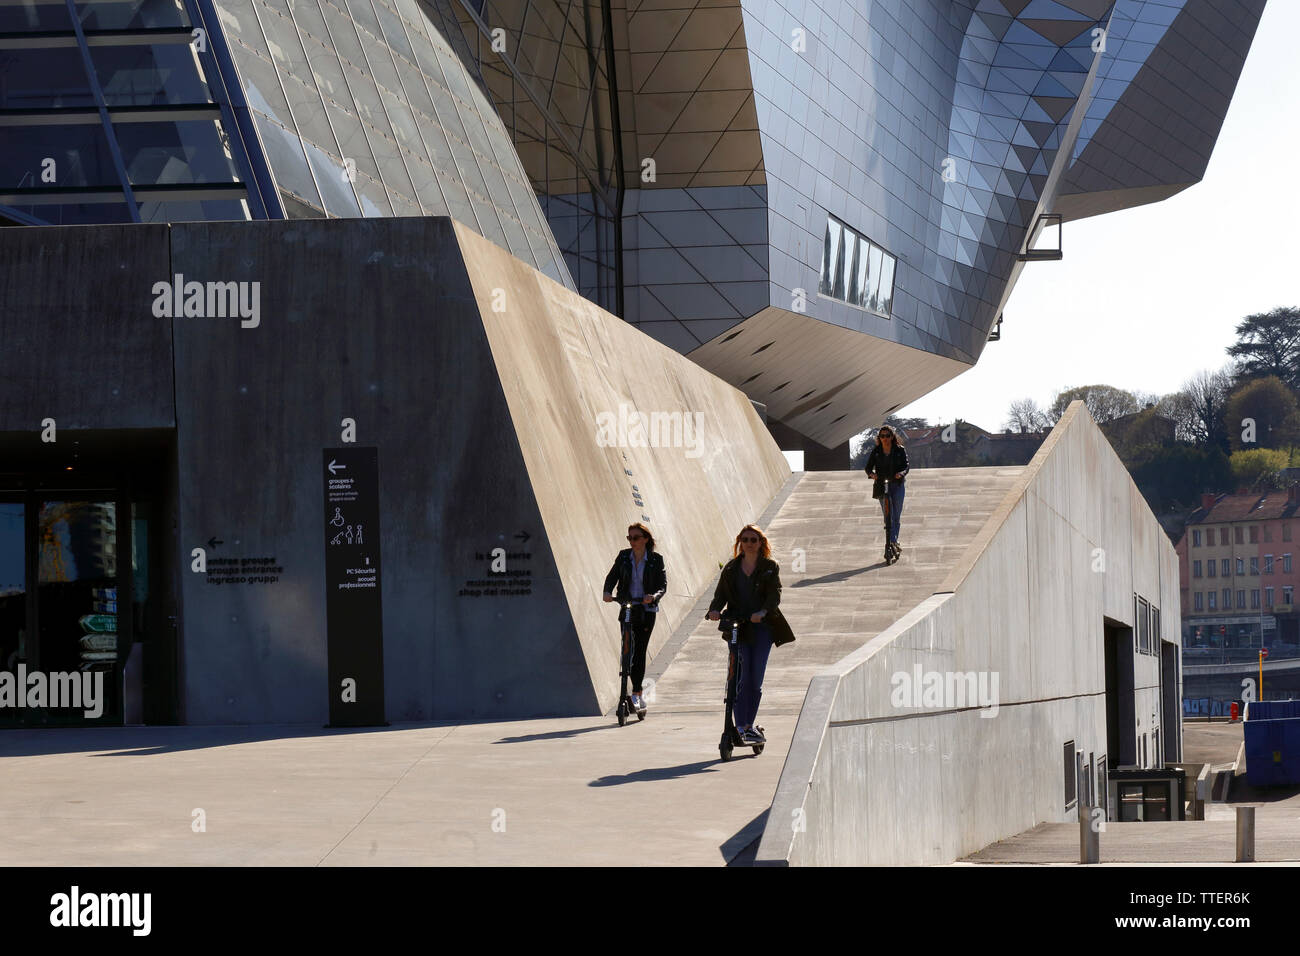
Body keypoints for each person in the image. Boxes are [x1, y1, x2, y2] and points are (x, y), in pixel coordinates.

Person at [706, 525, 796, 744]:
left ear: (760, 543)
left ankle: (748, 725)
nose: (749, 543)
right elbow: (720, 596)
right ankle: (740, 726)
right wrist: (714, 610)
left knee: (754, 680)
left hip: (761, 627)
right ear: (740, 542)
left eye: (753, 540)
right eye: (745, 539)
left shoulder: (769, 567)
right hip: (737, 626)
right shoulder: (730, 569)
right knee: (738, 676)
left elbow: (775, 594)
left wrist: (763, 612)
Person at [602, 522, 666, 713]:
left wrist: (653, 597)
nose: (632, 541)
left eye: (636, 537)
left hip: (646, 611)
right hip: (627, 606)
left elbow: (662, 585)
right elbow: (612, 576)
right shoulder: (623, 557)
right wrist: (607, 592)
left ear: (645, 539)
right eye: (629, 537)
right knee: (627, 649)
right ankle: (625, 691)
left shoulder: (655, 559)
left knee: (639, 651)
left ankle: (636, 694)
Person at [865, 424, 909, 562]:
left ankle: (893, 541)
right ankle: (891, 541)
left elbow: (906, 466)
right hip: (882, 486)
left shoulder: (899, 450)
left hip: (896, 485)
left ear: (892, 437)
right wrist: (872, 475)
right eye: (882, 436)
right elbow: (868, 468)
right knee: (887, 516)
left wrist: (901, 474)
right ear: (879, 438)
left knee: (896, 515)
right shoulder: (876, 451)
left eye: (887, 436)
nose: (885, 438)